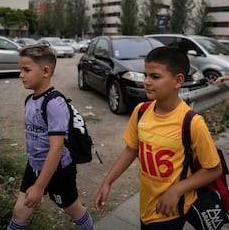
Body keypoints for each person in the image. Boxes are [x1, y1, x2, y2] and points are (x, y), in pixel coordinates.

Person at [94, 47, 222, 229]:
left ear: (178, 80)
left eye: (155, 77)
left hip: (171, 209)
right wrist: (108, 182)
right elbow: (131, 149)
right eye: (145, 75)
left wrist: (176, 190)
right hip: (146, 205)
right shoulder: (141, 111)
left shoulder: (192, 122)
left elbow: (214, 170)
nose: (146, 81)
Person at [7, 44, 94, 230]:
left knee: (73, 209)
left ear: (45, 71)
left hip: (59, 171)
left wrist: (39, 187)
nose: (21, 75)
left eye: (26, 70)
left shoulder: (54, 103)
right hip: (34, 166)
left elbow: (57, 148)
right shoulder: (30, 100)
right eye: (20, 69)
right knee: (19, 214)